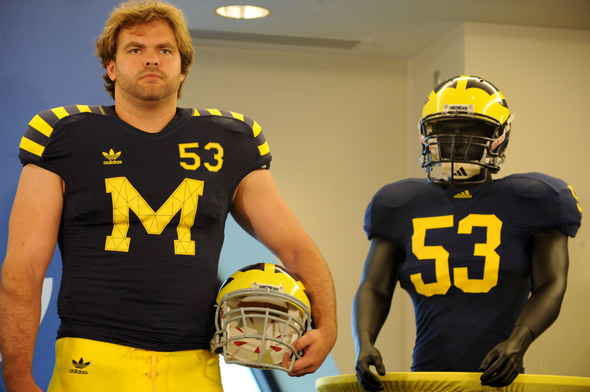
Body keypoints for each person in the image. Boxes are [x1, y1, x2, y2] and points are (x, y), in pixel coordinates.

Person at [0, 1, 337, 391]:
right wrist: (18, 376)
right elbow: (23, 269)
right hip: (91, 357)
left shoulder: (231, 141)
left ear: (183, 69)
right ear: (111, 67)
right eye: (135, 49)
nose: (151, 60)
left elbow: (295, 247)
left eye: (165, 50)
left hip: (194, 363)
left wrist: (327, 326)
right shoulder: (62, 135)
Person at [352, 75, 582, 390]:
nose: (458, 141)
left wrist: (519, 340)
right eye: (445, 130)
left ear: (500, 136)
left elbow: (551, 283)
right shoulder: (400, 203)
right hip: (427, 381)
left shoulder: (534, 198)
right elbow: (375, 288)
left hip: (500, 382)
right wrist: (364, 341)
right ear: (426, 135)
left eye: (473, 130)